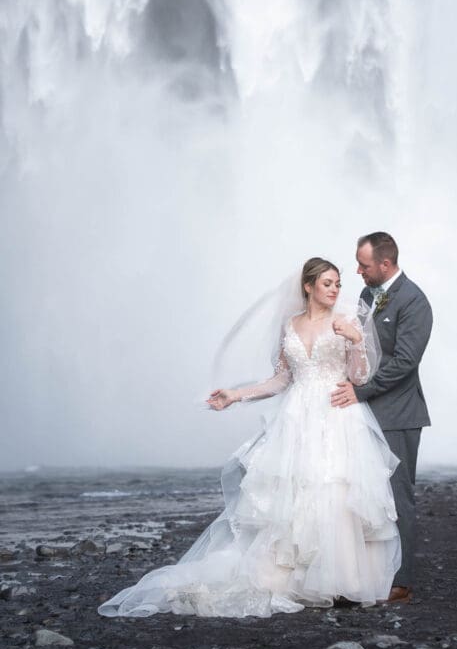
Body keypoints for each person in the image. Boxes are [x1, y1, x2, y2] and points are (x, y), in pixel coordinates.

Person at [98, 257, 400, 619]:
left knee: (332, 490)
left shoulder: (346, 323)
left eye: (338, 283)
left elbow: (360, 377)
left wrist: (356, 342)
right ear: (308, 287)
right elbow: (280, 380)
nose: (336, 289)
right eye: (328, 283)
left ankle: (341, 582)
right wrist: (235, 395)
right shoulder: (290, 325)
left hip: (336, 414)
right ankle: (298, 579)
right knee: (294, 496)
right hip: (297, 417)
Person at [331, 232, 432, 604]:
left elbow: (405, 362)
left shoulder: (414, 301)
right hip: (363, 412)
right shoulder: (365, 295)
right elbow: (362, 349)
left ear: (385, 264)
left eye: (364, 265)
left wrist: (360, 391)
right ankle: (367, 571)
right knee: (362, 492)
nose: (357, 270)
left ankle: (401, 581)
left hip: (398, 415)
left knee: (397, 496)